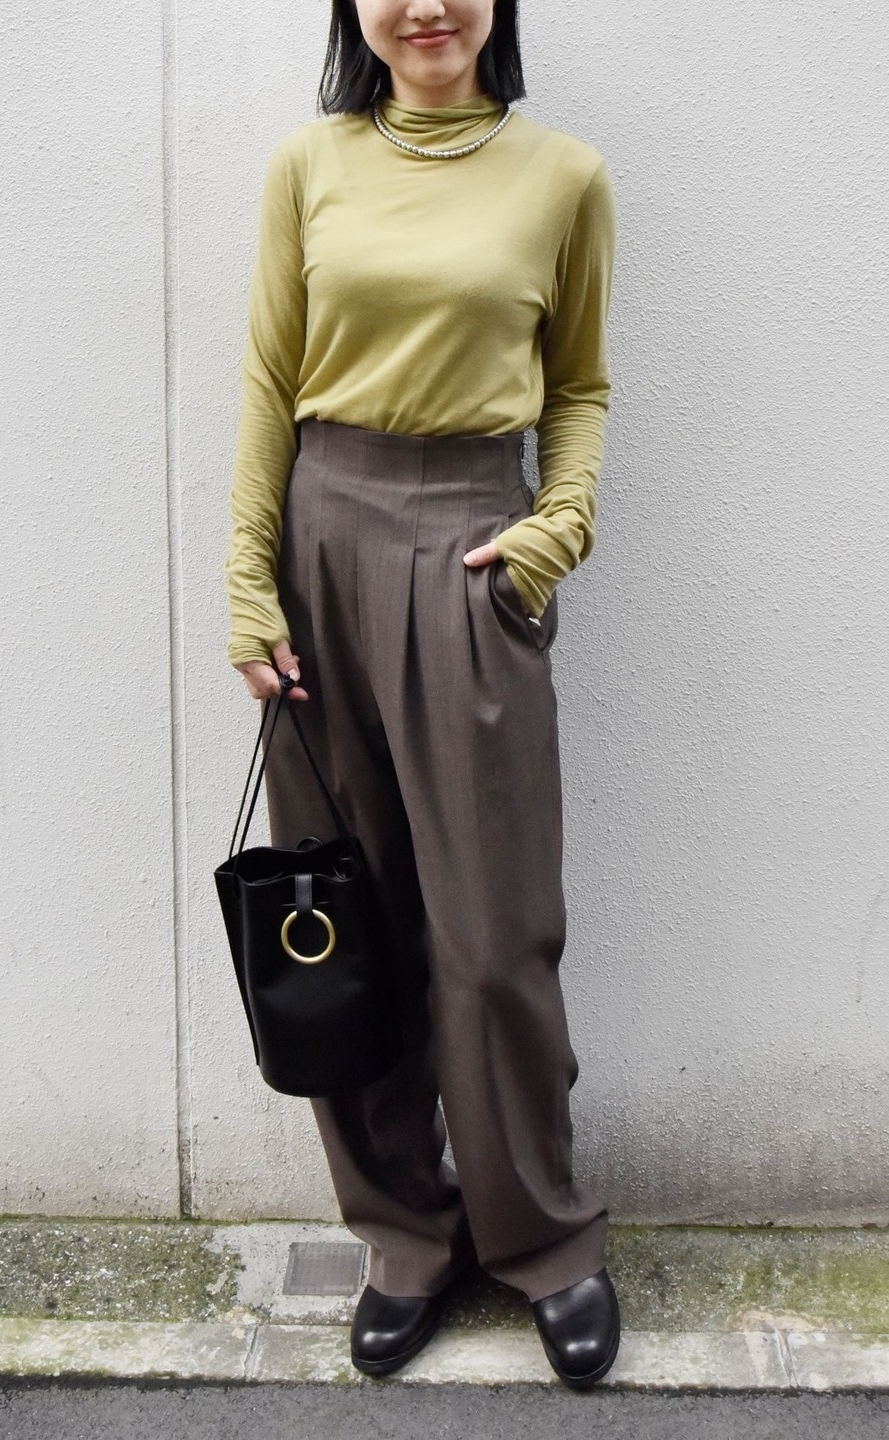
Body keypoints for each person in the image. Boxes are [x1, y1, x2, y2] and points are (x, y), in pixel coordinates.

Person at [224, 0, 619, 1389]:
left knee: (495, 931)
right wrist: (249, 582)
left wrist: (554, 532)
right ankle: (403, 1234)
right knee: (349, 908)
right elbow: (270, 377)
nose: (427, 6)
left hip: (471, 549)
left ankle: (544, 1241)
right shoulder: (309, 164)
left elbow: (579, 386)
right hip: (322, 538)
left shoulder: (562, 176)